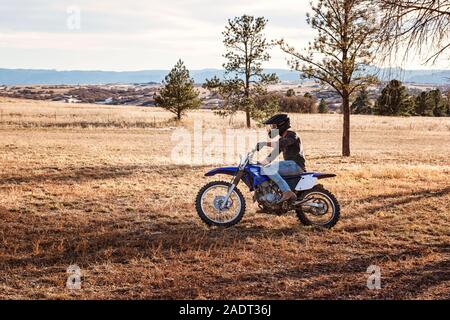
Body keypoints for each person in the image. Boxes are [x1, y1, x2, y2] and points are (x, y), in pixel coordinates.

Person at [257, 114, 306, 203]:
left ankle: (286, 191)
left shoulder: (292, 134)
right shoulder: (282, 138)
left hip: (296, 165)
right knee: (265, 168)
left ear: (281, 125)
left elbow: (283, 143)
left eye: (274, 126)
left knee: (269, 168)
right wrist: (261, 163)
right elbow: (274, 154)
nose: (272, 129)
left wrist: (264, 144)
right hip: (290, 165)